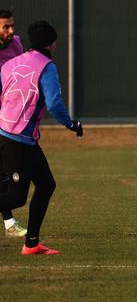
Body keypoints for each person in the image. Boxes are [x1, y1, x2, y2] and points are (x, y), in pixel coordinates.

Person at [0, 21, 83, 255]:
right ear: (52, 43)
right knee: (16, 198)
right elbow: (54, 103)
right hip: (17, 140)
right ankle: (31, 243)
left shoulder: (11, 63)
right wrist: (71, 124)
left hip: (15, 136)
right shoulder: (47, 66)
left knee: (46, 185)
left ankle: (31, 243)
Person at [0, 8, 26, 238]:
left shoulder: (16, 44)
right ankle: (9, 223)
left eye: (12, 25)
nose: (11, 30)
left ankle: (9, 223)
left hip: (9, 119)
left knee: (5, 172)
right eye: (5, 26)